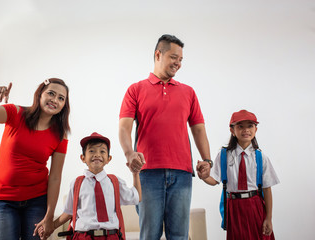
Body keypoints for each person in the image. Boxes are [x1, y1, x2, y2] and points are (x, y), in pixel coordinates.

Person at [118, 34, 212, 240]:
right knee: (149, 235)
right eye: (173, 57)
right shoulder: (135, 90)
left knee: (179, 236)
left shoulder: (189, 92)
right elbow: (124, 128)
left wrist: (207, 159)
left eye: (181, 60)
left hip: (183, 175)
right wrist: (129, 153)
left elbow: (198, 129)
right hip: (148, 173)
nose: (178, 63)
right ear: (158, 54)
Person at [0, 78, 70, 240]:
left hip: (36, 201)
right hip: (2, 200)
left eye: (61, 98)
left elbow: (54, 177)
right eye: (51, 94)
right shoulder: (16, 113)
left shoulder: (60, 135)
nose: (55, 100)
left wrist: (49, 215)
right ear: (40, 94)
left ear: (64, 105)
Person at [36, 132, 143, 240]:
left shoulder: (115, 182)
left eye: (102, 151)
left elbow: (137, 197)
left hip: (110, 236)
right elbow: (68, 212)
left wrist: (135, 173)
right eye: (91, 151)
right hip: (83, 236)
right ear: (83, 158)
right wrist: (51, 226)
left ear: (108, 159)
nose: (97, 154)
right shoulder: (77, 183)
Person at [203, 110, 279, 240]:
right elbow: (214, 179)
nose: (246, 130)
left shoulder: (261, 158)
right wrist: (204, 176)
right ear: (232, 130)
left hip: (255, 206)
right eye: (240, 126)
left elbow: (267, 189)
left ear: (256, 129)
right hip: (234, 207)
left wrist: (268, 218)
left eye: (250, 126)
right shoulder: (224, 156)